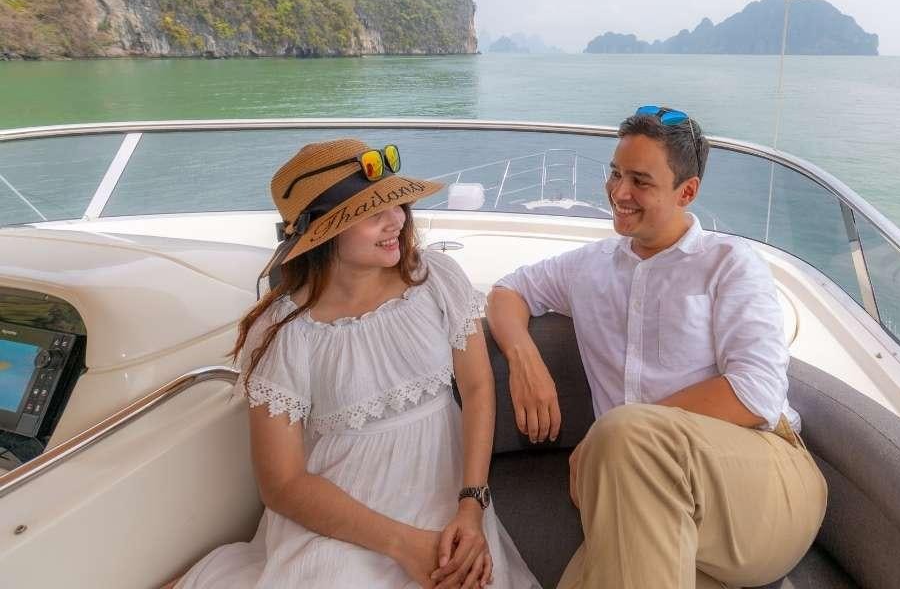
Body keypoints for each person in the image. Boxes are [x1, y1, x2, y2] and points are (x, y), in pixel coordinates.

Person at [170, 139, 539, 589]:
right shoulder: (285, 333)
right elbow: (282, 484)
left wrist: (471, 503)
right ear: (323, 234)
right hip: (343, 517)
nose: (397, 220)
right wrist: (404, 544)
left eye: (397, 203)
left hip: (447, 498)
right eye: (372, 213)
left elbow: (479, 389)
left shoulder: (436, 279)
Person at [487, 107, 827, 589]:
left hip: (763, 481)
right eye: (615, 173)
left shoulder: (729, 265)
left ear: (686, 192)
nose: (618, 193)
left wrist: (617, 435)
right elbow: (508, 291)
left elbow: (756, 394)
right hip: (641, 491)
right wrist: (524, 360)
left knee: (624, 439)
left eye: (640, 181)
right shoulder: (589, 267)